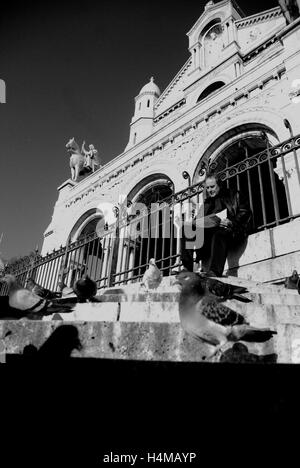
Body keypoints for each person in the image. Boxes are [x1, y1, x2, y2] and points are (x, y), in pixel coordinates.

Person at [181, 172, 253, 277]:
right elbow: (197, 221)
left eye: (212, 186)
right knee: (187, 228)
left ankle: (215, 271)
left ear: (219, 184)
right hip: (208, 237)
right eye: (208, 188)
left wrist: (231, 222)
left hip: (231, 231)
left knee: (219, 234)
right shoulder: (207, 204)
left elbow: (245, 212)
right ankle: (187, 268)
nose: (210, 190)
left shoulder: (234, 195)